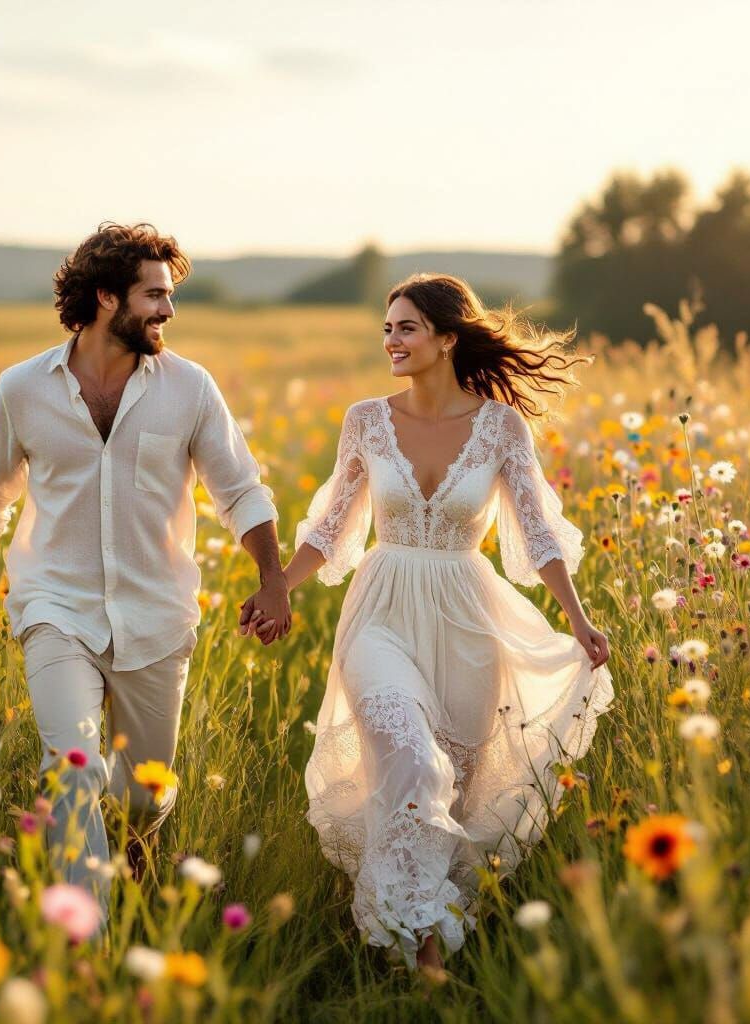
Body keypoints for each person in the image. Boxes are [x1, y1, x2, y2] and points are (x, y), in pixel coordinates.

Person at [242, 273, 614, 971]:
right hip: (382, 611)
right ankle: (418, 946)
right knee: (410, 760)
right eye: (387, 328)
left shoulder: (502, 426)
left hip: (468, 622)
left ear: (448, 339)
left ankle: (418, 935)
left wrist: (580, 621)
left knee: (456, 793)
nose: (392, 340)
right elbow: (330, 527)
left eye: (406, 328)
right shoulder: (366, 420)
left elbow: (537, 535)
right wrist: (278, 589)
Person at [0, 222, 290, 931]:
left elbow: (240, 490)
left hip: (156, 616)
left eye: (170, 295)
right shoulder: (23, 389)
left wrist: (273, 578)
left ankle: (137, 853)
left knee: (143, 796)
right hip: (54, 607)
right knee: (72, 768)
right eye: (154, 295)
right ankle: (86, 942)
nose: (168, 311)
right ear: (105, 297)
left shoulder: (190, 389)